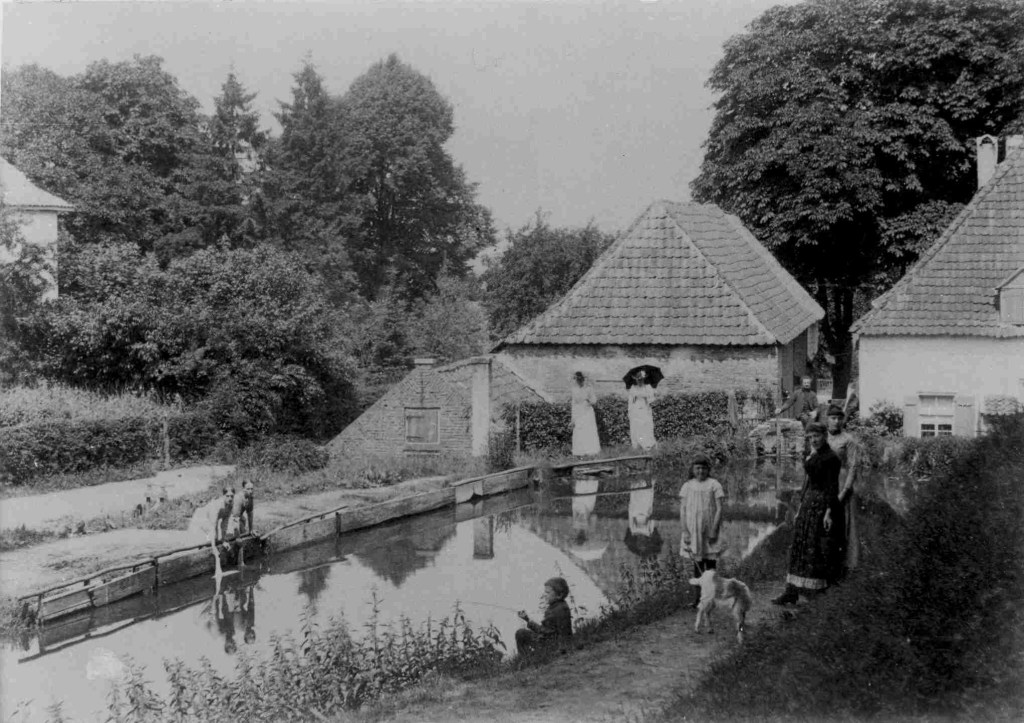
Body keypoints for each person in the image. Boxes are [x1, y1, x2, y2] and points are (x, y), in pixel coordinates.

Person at [772, 422, 844, 605]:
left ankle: (816, 593)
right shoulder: (815, 454)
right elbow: (809, 482)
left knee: (815, 546)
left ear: (825, 436)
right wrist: (801, 506)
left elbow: (832, 487)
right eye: (810, 437)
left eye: (817, 436)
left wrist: (828, 512)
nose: (813, 440)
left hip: (822, 505)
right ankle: (792, 592)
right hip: (809, 504)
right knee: (799, 544)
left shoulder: (831, 458)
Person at [679, 454, 726, 608]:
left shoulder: (714, 484)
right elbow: (683, 510)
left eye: (704, 468)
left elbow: (719, 509)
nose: (700, 471)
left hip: (709, 529)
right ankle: (698, 599)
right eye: (697, 468)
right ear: (692, 469)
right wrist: (685, 531)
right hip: (694, 531)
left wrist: (714, 530)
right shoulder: (687, 486)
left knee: (711, 566)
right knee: (697, 567)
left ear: (708, 470)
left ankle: (711, 598)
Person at [826, 405, 860, 575]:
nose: (836, 421)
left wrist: (845, 490)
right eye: (833, 418)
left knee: (843, 524)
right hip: (824, 483)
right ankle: (825, 563)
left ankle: (844, 566)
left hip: (841, 484)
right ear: (827, 419)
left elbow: (853, 467)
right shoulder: (821, 438)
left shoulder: (848, 440)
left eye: (839, 418)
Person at [515, 577, 572, 655]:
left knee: (520, 634)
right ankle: (529, 657)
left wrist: (529, 622)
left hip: (549, 645)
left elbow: (545, 632)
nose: (545, 595)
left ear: (559, 595)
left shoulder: (557, 610)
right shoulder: (559, 606)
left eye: (548, 593)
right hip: (553, 641)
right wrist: (527, 619)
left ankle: (525, 659)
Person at [570, 371, 601, 457]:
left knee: (588, 429)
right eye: (577, 379)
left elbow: (594, 400)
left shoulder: (588, 388)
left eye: (580, 379)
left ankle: (590, 450)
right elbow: (573, 403)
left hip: (587, 411)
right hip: (578, 411)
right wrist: (573, 418)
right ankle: (580, 451)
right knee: (579, 429)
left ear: (583, 379)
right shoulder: (574, 389)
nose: (579, 381)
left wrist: (589, 400)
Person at [628, 370, 656, 450]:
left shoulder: (648, 387)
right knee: (637, 427)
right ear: (635, 380)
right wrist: (630, 411)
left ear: (644, 379)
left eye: (641, 379)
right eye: (638, 379)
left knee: (646, 426)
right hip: (636, 410)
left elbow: (652, 399)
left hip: (645, 409)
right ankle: (638, 444)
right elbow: (630, 401)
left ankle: (647, 444)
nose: (639, 381)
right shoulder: (633, 388)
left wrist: (646, 397)